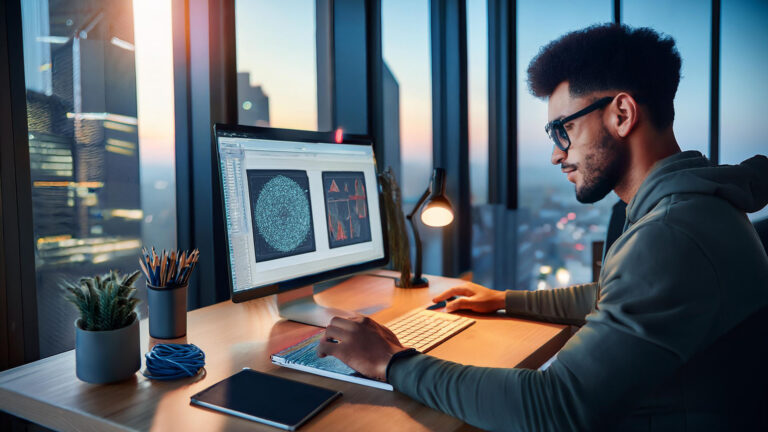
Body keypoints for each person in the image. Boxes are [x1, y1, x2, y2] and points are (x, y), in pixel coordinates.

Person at [318, 23, 768, 431]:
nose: (556, 154)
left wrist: (393, 362)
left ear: (623, 114)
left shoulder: (673, 234)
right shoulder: (690, 209)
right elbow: (615, 295)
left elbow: (555, 407)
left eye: (562, 129)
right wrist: (504, 300)